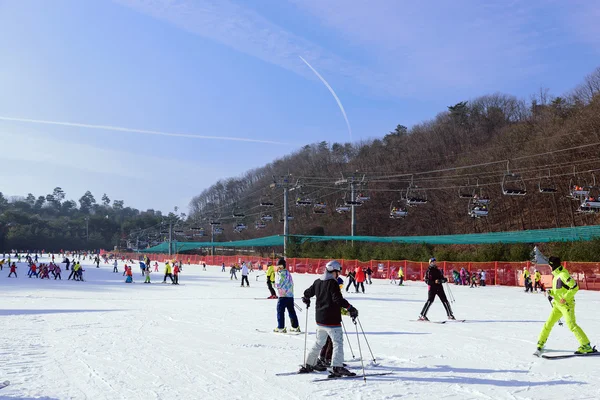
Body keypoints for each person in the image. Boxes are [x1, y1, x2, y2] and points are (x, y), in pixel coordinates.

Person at [300, 260, 357, 377]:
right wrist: (350, 308)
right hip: (332, 320)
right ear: (333, 271)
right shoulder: (333, 283)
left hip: (320, 320)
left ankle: (310, 363)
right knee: (337, 343)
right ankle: (337, 367)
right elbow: (338, 299)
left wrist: (306, 298)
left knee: (319, 342)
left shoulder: (318, 282)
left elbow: (307, 292)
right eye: (338, 272)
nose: (339, 274)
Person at [536, 256, 596, 355]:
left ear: (553, 265)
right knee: (548, 324)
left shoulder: (563, 274)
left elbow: (575, 287)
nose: (549, 267)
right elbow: (559, 290)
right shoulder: (556, 275)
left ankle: (586, 345)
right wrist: (550, 292)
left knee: (572, 325)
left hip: (566, 305)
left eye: (549, 265)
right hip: (557, 305)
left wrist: (566, 298)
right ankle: (541, 342)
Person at [273, 258, 300, 333]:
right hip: (290, 296)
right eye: (278, 266)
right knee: (291, 311)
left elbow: (279, 284)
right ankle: (295, 327)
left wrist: (273, 283)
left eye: (280, 266)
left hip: (283, 296)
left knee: (280, 311)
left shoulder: (282, 274)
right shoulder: (288, 273)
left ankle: (281, 327)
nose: (279, 268)